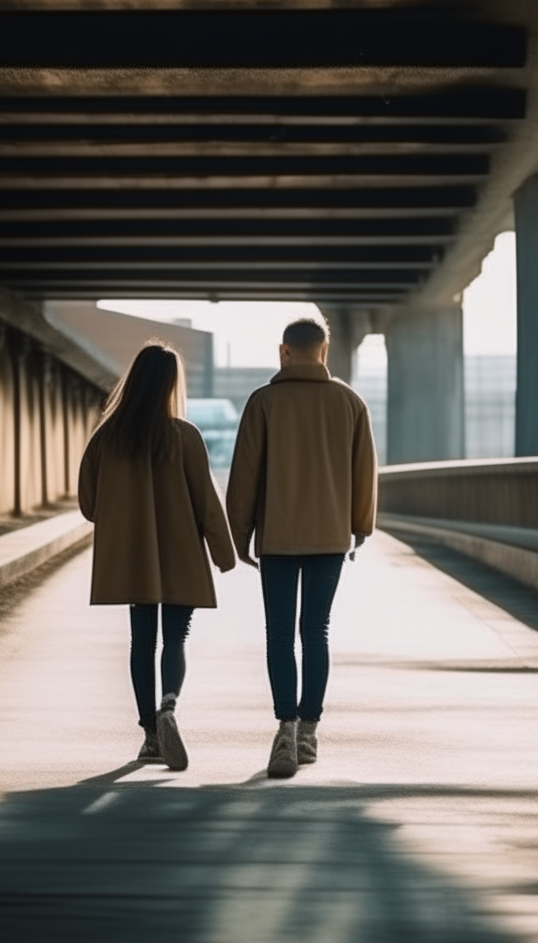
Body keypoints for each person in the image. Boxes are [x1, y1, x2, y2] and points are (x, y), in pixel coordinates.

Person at [226, 317, 377, 779]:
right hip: (329, 537)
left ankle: (285, 730)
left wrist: (239, 534)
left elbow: (244, 475)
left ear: (283, 352)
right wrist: (359, 528)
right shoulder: (350, 403)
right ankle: (310, 729)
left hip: (278, 537)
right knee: (316, 631)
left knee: (278, 633)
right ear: (325, 351)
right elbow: (364, 472)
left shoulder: (263, 402)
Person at [79, 342, 236, 771]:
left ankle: (150, 734)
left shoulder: (107, 438)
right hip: (181, 554)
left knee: (141, 642)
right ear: (170, 384)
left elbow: (89, 505)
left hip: (135, 560)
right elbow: (206, 501)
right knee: (176, 639)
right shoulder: (185, 436)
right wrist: (226, 554)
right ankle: (169, 705)